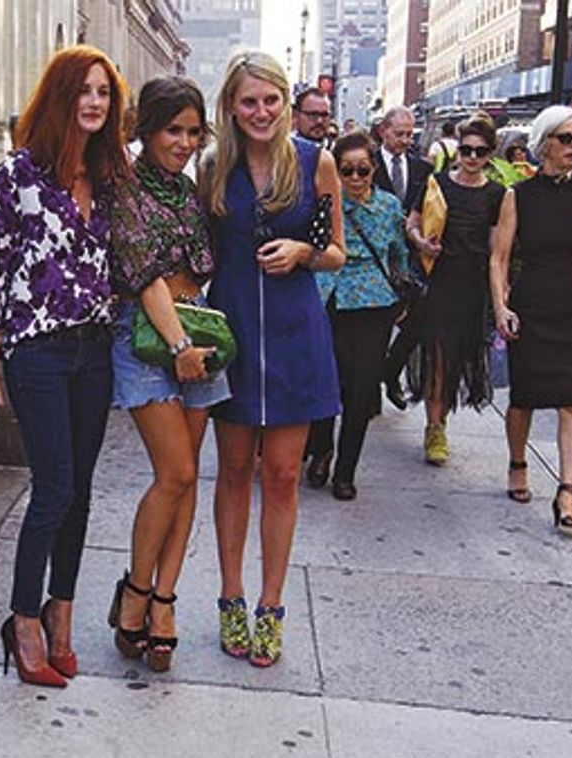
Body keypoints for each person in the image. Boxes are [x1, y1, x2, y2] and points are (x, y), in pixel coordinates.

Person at [0, 44, 129, 688]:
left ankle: (63, 615)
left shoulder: (113, 178)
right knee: (55, 486)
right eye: (84, 91)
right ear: (60, 98)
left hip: (96, 349)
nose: (95, 102)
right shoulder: (20, 175)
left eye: (104, 92)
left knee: (81, 491)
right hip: (36, 351)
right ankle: (23, 619)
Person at [201, 51, 345, 668]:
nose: (260, 112)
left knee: (282, 475)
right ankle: (230, 595)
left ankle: (271, 603)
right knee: (233, 471)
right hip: (233, 336)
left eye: (270, 100)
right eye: (248, 101)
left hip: (295, 332)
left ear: (286, 103)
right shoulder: (213, 169)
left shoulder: (317, 164)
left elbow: (337, 250)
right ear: (231, 107)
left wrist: (303, 253)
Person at [106, 76, 229, 673]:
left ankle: (163, 601)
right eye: (171, 130)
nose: (182, 142)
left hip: (199, 337)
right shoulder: (123, 187)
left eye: (191, 131)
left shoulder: (190, 189)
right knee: (174, 471)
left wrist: (194, 342)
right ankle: (133, 588)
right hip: (147, 340)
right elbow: (145, 275)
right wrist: (178, 345)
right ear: (146, 131)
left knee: (187, 480)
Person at [490, 105, 572, 538]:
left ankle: (566, 492)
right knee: (523, 397)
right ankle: (517, 462)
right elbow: (499, 257)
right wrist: (500, 306)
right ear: (544, 144)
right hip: (533, 306)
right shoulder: (518, 196)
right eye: (565, 138)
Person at [304, 131, 409, 500]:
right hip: (329, 298)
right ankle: (321, 450)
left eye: (362, 170)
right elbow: (313, 249)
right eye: (346, 170)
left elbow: (398, 253)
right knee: (325, 381)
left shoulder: (389, 207)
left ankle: (346, 470)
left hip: (373, 306)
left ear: (373, 169)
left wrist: (402, 292)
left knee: (362, 391)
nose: (354, 178)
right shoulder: (324, 203)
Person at [403, 112, 507, 465]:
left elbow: (498, 251)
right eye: (466, 150)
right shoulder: (436, 184)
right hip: (439, 283)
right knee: (438, 358)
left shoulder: (497, 194)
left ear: (490, 154)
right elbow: (412, 224)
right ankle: (435, 427)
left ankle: (440, 420)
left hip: (472, 286)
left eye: (480, 151)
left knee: (459, 358)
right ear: (457, 150)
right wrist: (421, 244)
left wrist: (500, 296)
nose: (472, 158)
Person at [377, 106, 439, 410]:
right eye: (399, 133)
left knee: (418, 320)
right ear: (383, 131)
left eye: (409, 134)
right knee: (377, 324)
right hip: (375, 257)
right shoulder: (365, 165)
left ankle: (390, 370)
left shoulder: (423, 170)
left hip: (412, 260)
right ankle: (368, 391)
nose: (404, 140)